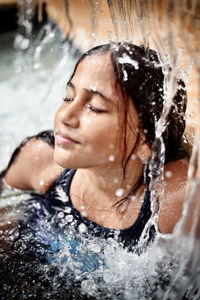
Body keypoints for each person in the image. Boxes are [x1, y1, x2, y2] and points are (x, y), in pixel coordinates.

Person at [0, 42, 192, 250]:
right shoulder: (40, 160)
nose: (65, 116)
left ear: (146, 140)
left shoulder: (171, 202)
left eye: (95, 108)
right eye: (68, 97)